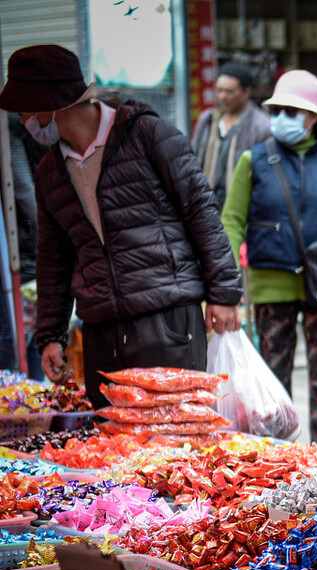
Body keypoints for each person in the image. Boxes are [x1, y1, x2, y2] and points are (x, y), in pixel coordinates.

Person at [0, 44, 242, 408]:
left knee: (175, 440)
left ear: (52, 103)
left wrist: (223, 294)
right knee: (114, 449)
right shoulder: (48, 172)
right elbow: (54, 259)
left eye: (27, 109)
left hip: (168, 318)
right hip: (102, 331)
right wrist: (50, 334)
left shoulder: (147, 135)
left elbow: (201, 211)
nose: (23, 121)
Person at [221, 69, 317, 449]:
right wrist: (226, 283)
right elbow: (232, 223)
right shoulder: (254, 160)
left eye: (291, 110)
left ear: (313, 117)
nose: (280, 117)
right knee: (271, 383)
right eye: (277, 109)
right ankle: (277, 460)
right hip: (271, 286)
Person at [0, 112, 47, 377]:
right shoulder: (13, 131)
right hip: (21, 250)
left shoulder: (43, 131)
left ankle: (31, 407)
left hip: (33, 249)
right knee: (18, 336)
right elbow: (23, 190)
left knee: (34, 336)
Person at [191, 62, 272, 209]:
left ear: (246, 92)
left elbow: (266, 174)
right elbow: (193, 158)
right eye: (219, 90)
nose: (222, 97)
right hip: (207, 203)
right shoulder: (208, 119)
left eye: (229, 92)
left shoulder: (262, 126)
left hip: (242, 204)